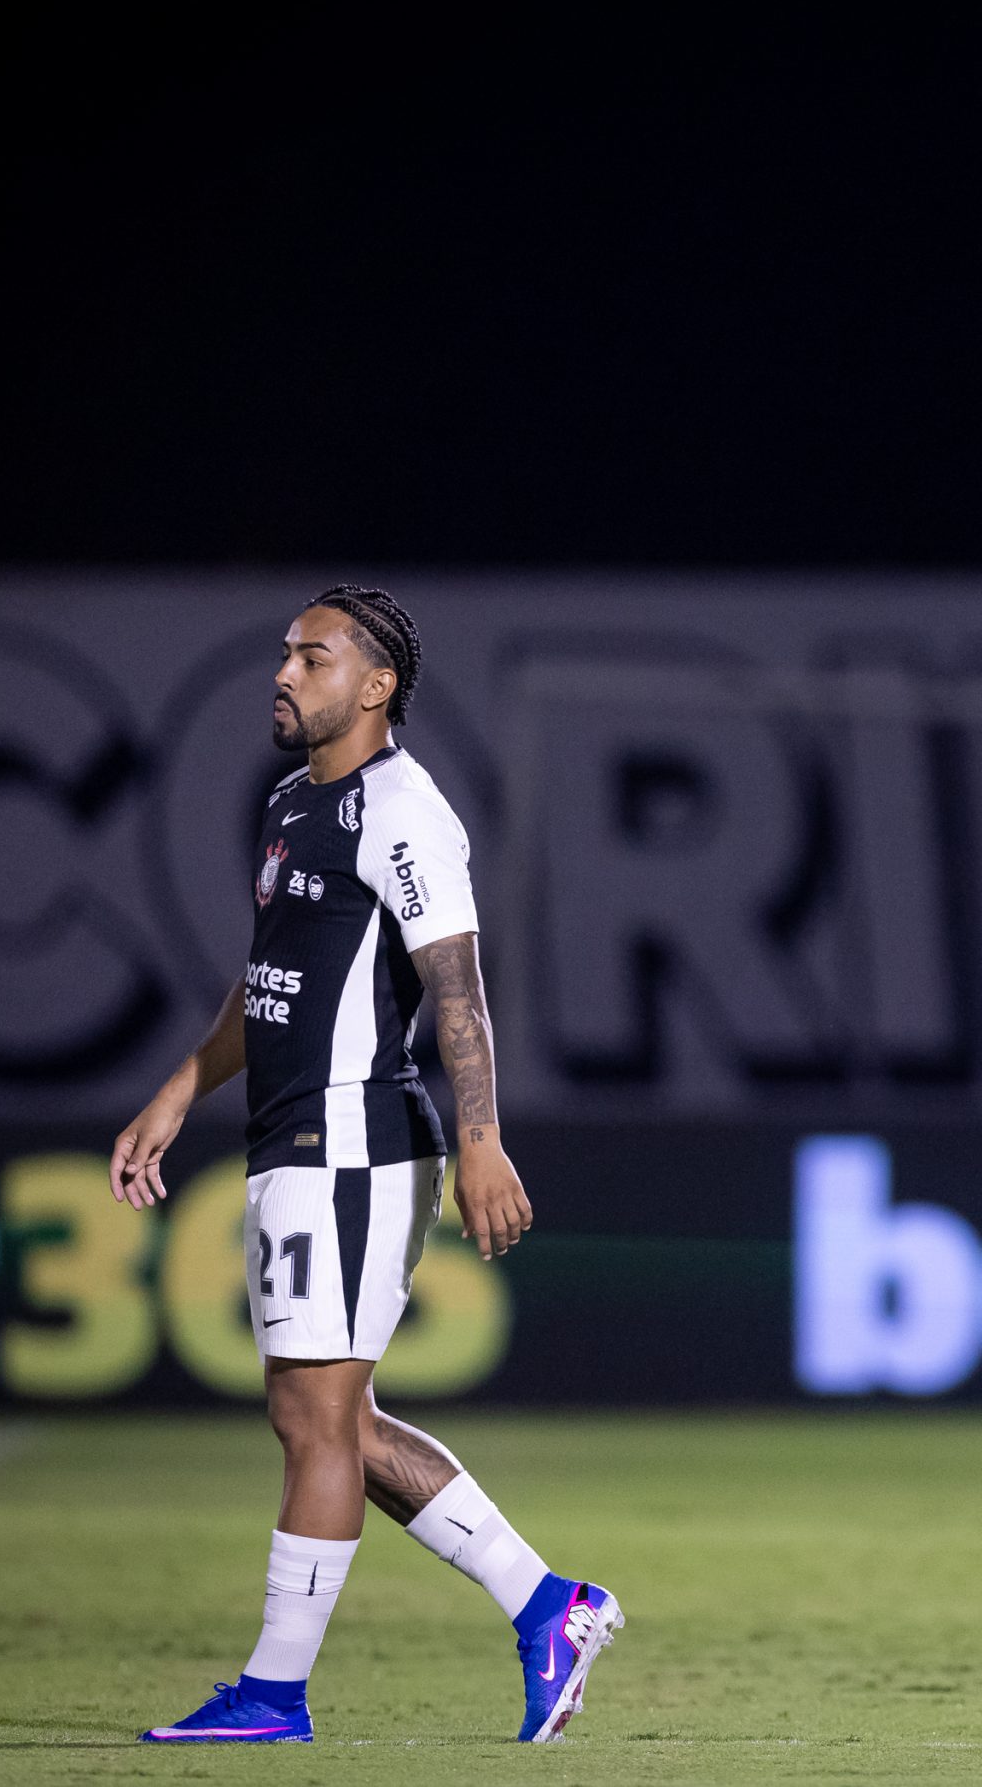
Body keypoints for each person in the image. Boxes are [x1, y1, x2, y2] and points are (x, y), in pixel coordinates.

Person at [109, 585, 621, 1745]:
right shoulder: (293, 802)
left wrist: (482, 1140)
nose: (284, 674)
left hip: (353, 1143)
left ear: (377, 684)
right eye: (285, 655)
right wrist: (181, 1086)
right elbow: (271, 982)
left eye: (313, 657)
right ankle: (550, 1605)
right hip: (294, 1140)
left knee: (315, 1421)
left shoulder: (404, 812)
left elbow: (459, 990)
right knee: (333, 1418)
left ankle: (273, 1694)